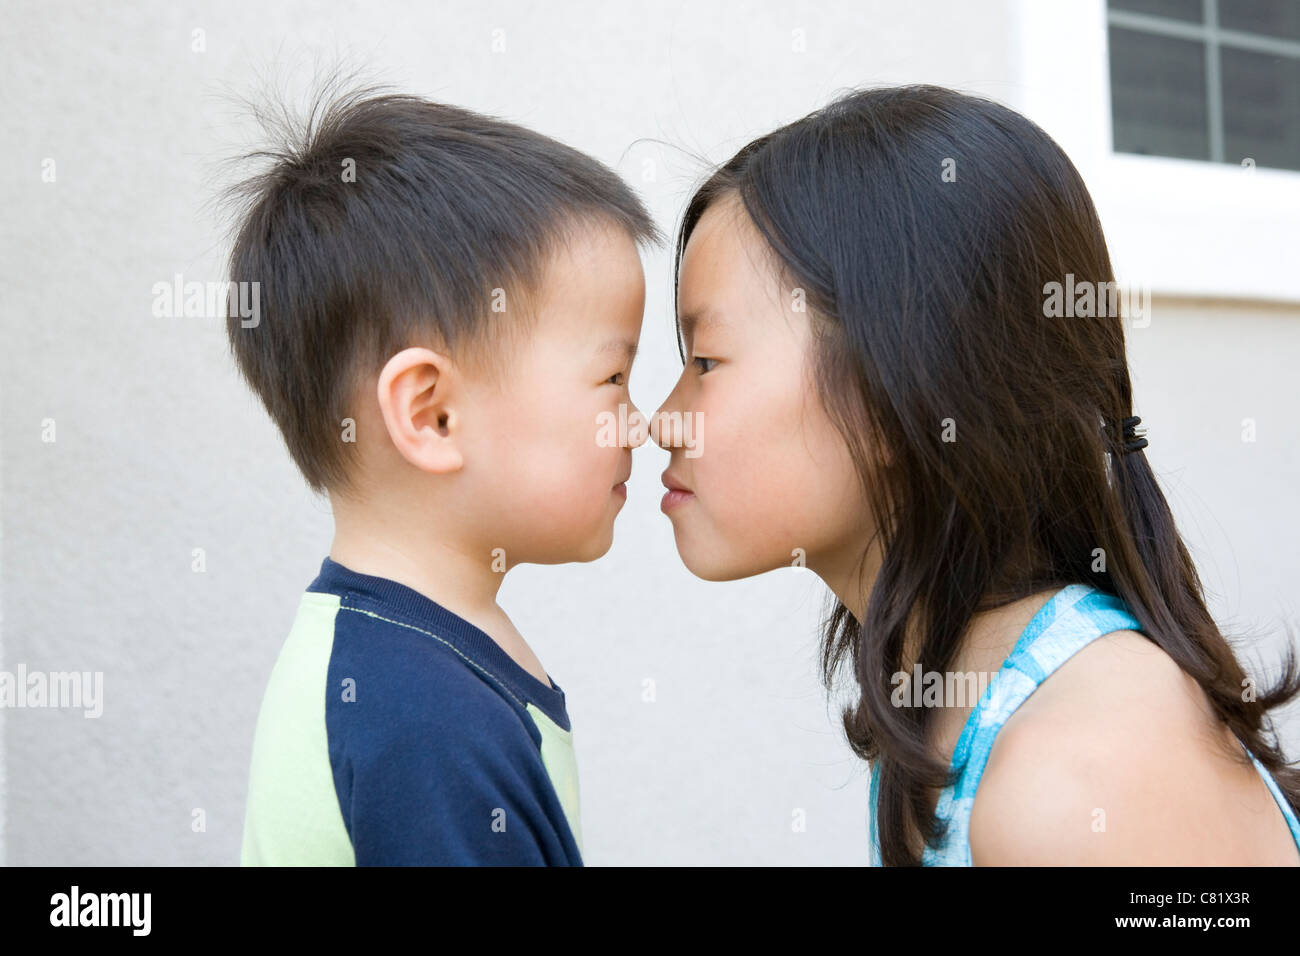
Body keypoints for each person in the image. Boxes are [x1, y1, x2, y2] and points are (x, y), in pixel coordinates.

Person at [652, 84, 1300, 865]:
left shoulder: (1077, 770)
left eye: (707, 361)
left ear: (896, 389)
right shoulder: (950, 705)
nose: (661, 419)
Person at [229, 83, 659, 864]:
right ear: (431, 415)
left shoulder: (392, 661)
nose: (644, 423)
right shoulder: (423, 718)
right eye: (613, 380)